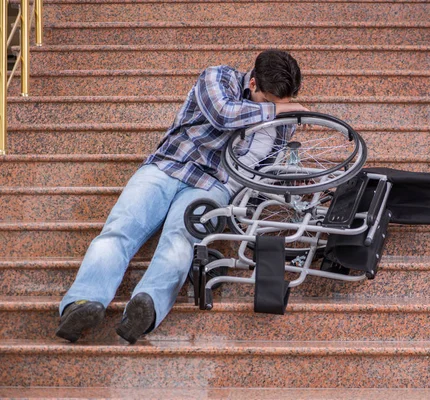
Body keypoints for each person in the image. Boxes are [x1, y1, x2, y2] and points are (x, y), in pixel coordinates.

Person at [56, 49, 308, 344]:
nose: (276, 111)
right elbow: (223, 115)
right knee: (119, 230)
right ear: (252, 83)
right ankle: (82, 303)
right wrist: (274, 111)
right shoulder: (219, 77)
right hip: (168, 166)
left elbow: (262, 168)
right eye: (268, 102)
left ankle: (145, 307)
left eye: (282, 105)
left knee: (179, 242)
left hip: (212, 186)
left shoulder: (283, 118)